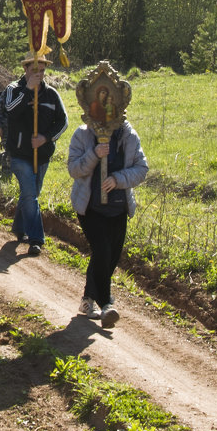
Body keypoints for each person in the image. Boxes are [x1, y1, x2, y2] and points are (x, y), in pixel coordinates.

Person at [66, 113, 148, 328]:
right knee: (102, 251)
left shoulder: (129, 135)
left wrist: (117, 179)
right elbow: (74, 169)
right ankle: (106, 304)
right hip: (90, 207)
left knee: (111, 257)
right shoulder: (82, 135)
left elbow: (142, 169)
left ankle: (88, 300)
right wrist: (94, 154)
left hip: (118, 207)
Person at [0, 55, 68, 255]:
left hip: (42, 154)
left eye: (41, 71)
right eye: (34, 71)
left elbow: (63, 122)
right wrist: (27, 91)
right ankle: (36, 239)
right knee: (31, 195)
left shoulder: (51, 95)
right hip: (19, 153)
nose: (39, 75)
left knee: (30, 194)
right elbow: (10, 110)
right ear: (25, 69)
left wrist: (46, 138)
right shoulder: (13, 90)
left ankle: (19, 227)